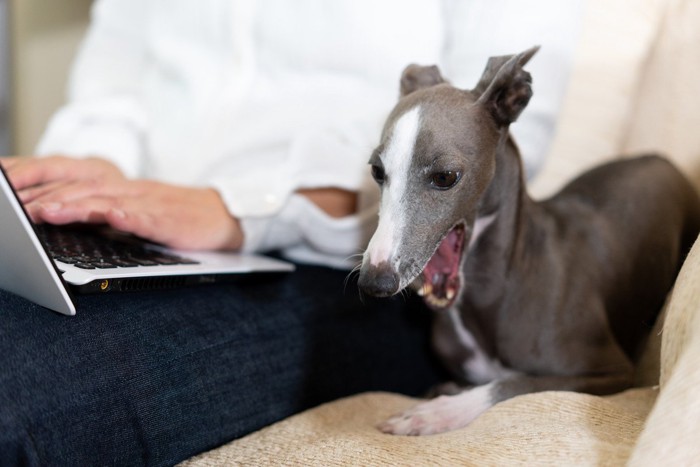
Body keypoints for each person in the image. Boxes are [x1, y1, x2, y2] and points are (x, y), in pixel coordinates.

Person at [0, 0, 583, 464]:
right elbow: (114, 83)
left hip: (340, 266)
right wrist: (91, 174)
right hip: (135, 232)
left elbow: (492, 146)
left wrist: (241, 208)